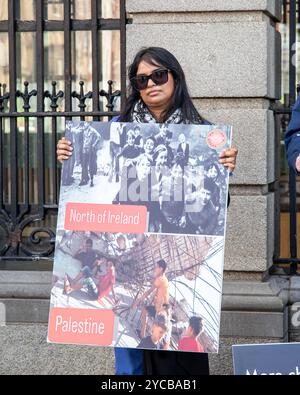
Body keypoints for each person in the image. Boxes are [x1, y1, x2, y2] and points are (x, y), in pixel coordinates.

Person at [57, 46, 238, 375]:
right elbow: (95, 192)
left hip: (174, 250)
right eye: (141, 79)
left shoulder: (205, 135)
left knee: (183, 355)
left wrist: (222, 171)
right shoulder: (115, 129)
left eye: (158, 75)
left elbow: (215, 211)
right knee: (132, 357)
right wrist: (69, 153)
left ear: (175, 78)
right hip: (132, 245)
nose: (151, 84)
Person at [133, 259, 169, 338]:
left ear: (161, 269)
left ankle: (143, 335)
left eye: (156, 267)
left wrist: (138, 300)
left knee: (145, 311)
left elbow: (149, 291)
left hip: (160, 309)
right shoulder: (164, 278)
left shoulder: (160, 279)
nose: (155, 269)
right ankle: (143, 334)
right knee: (145, 310)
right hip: (163, 308)